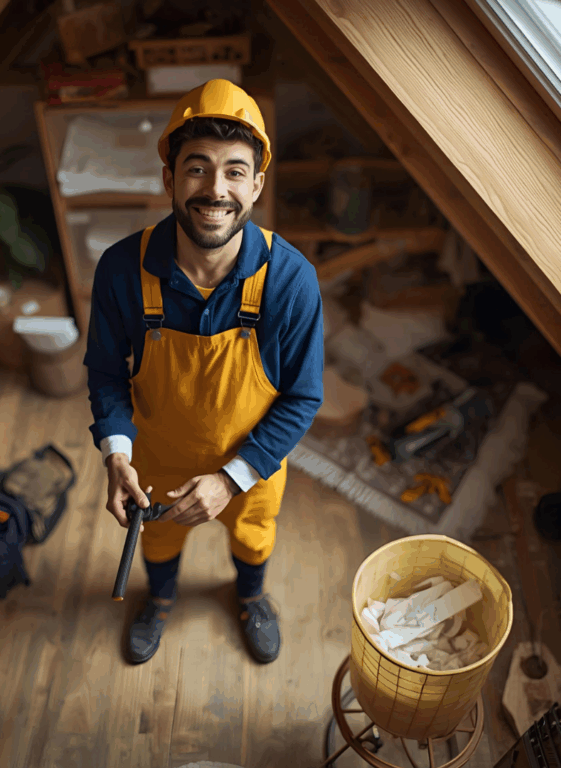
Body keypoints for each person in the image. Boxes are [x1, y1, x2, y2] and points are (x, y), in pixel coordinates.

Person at [84, 79, 324, 665]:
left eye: (235, 172)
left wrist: (232, 478)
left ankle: (251, 597)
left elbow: (302, 396)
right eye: (198, 169)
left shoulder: (289, 280)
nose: (215, 190)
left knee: (252, 536)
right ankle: (160, 599)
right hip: (157, 459)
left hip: (253, 461)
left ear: (256, 185)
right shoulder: (121, 269)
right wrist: (117, 453)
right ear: (169, 178)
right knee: (157, 536)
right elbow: (105, 371)